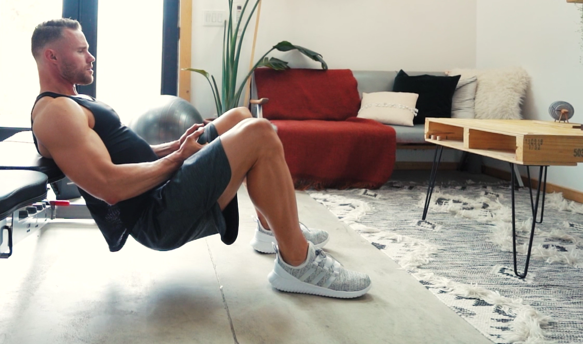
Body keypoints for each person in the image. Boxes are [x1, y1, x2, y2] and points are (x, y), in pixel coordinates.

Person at [29, 18, 371, 299]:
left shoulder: (74, 102)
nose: (91, 57)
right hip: (157, 215)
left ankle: (274, 231)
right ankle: (298, 264)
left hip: (161, 186)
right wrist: (177, 159)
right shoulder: (55, 113)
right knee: (260, 133)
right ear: (52, 57)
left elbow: (121, 158)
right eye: (81, 50)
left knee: (239, 117)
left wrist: (173, 148)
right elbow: (109, 186)